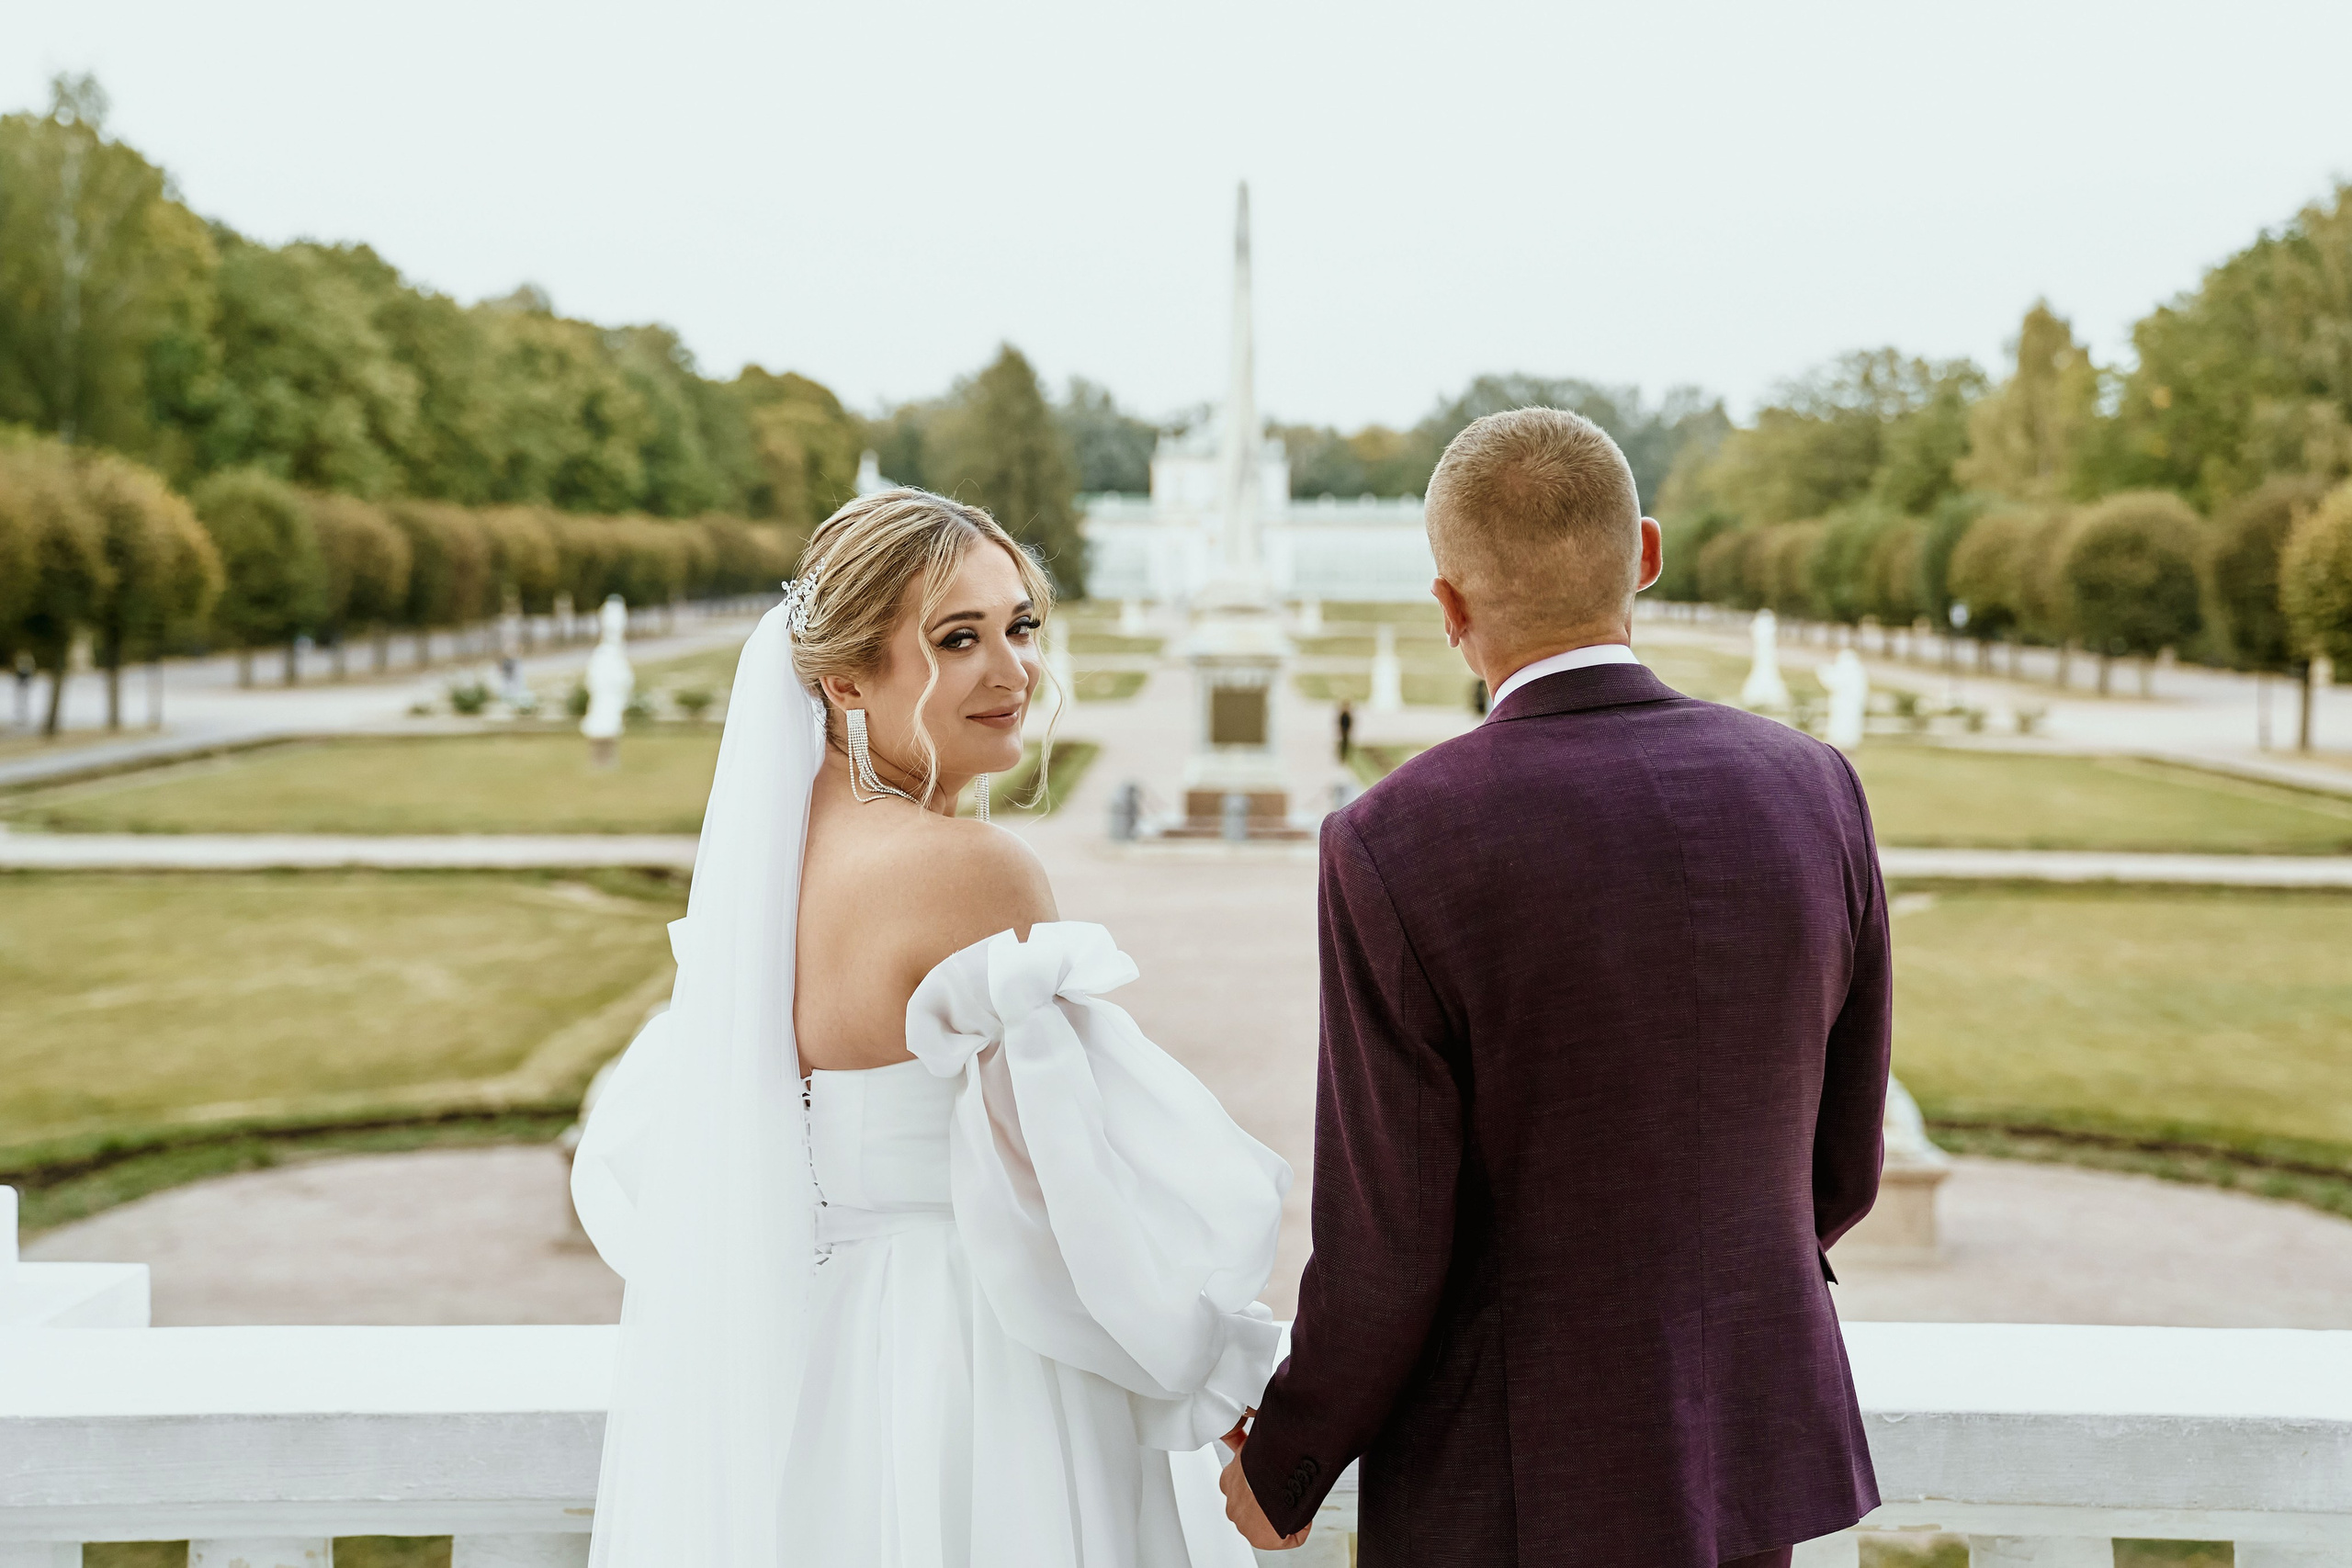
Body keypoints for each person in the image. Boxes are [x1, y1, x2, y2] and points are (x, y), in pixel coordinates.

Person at [571, 489, 1291, 1568]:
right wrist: (1218, 1371)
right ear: (844, 676)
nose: (1012, 672)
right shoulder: (969, 875)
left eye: (1020, 626)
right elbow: (1075, 1202)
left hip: (810, 1366)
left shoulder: (769, 868)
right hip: (980, 1374)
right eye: (958, 639)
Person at [1223, 409, 1890, 1566]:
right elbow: (1839, 1167)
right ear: (1645, 553)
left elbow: (1388, 1239)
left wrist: (1288, 1460)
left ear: (1447, 608)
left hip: (1506, 1480)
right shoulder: (1814, 787)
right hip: (1736, 1454)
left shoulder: (1393, 839)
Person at [1334, 698, 1353, 764]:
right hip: (1343, 731)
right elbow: (1340, 723)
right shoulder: (1343, 714)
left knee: (1346, 745)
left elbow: (1350, 723)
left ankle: (1345, 757)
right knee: (1341, 744)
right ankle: (1340, 756)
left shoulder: (1348, 714)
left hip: (1346, 731)